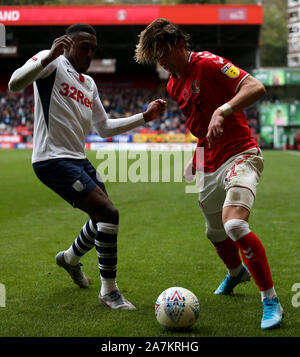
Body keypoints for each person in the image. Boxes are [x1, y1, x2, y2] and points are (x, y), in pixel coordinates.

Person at [135, 18, 283, 329]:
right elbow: (202, 129)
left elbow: (256, 86)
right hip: (209, 161)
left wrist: (223, 109)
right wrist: (195, 157)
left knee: (234, 225)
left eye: (163, 53)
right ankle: (235, 273)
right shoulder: (175, 84)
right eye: (156, 57)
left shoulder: (208, 64)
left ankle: (270, 300)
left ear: (179, 44)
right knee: (213, 232)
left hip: (241, 153)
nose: (160, 62)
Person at [8, 23, 166, 310]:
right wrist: (47, 57)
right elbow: (14, 83)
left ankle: (69, 259)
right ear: (67, 44)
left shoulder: (89, 84)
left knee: (100, 217)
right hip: (51, 159)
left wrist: (144, 117)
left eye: (93, 49)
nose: (90, 53)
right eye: (84, 47)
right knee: (108, 212)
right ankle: (109, 291)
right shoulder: (51, 62)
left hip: (78, 159)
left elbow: (103, 128)